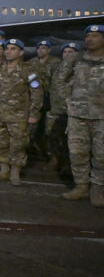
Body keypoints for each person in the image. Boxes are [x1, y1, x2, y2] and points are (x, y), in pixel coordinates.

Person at [0, 39, 42, 186]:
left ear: (21, 52)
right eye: (7, 48)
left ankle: (15, 172)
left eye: (13, 49)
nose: (8, 51)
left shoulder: (28, 70)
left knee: (18, 144)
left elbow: (37, 93)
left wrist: (34, 114)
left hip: (19, 115)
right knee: (0, 143)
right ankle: (3, 170)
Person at [57, 25, 104, 206]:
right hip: (78, 115)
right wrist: (69, 101)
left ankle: (97, 189)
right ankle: (81, 186)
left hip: (101, 116)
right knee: (77, 153)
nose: (90, 39)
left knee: (101, 155)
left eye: (95, 36)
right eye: (88, 36)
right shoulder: (76, 58)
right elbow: (61, 79)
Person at [44, 43, 78, 174]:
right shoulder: (55, 67)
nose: (67, 54)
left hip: (73, 111)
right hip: (55, 110)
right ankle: (54, 159)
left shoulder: (81, 68)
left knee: (72, 139)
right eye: (65, 52)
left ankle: (68, 164)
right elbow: (46, 83)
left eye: (71, 52)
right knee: (52, 136)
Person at [28, 39, 61, 159]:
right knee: (32, 125)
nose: (41, 50)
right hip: (34, 97)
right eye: (39, 48)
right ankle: (32, 149)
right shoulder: (32, 62)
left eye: (44, 48)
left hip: (50, 97)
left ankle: (49, 153)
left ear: (49, 50)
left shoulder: (56, 62)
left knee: (49, 127)